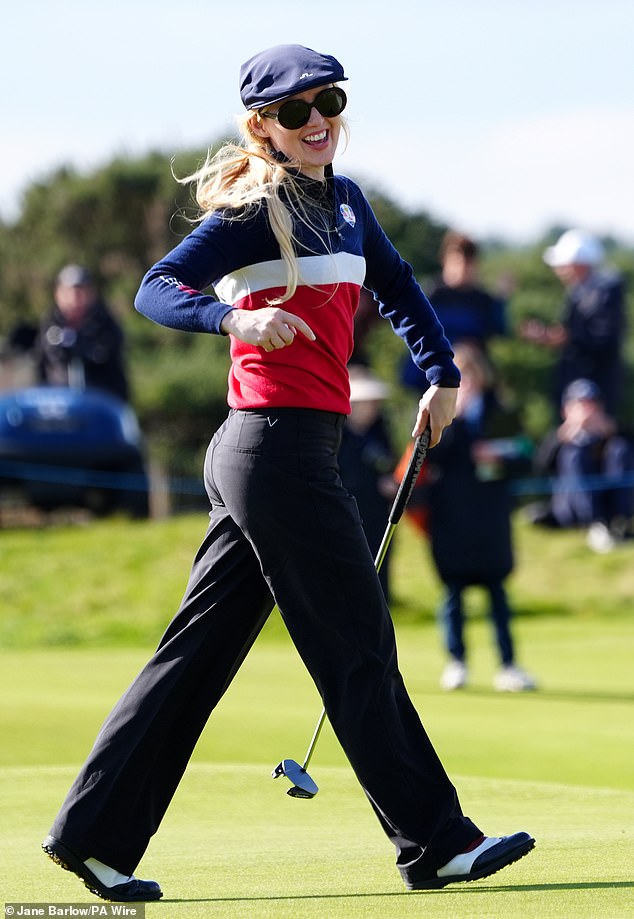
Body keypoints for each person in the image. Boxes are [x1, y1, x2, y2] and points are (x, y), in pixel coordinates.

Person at [42, 44, 534, 901]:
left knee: (198, 652)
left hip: (289, 453)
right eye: (296, 111)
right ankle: (436, 841)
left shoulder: (346, 203)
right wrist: (234, 315)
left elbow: (400, 285)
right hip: (271, 450)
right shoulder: (252, 207)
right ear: (262, 126)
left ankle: (92, 836)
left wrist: (442, 373)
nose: (318, 122)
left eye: (328, 102)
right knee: (358, 644)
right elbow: (157, 288)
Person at [418, 343, 536, 692]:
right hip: (451, 517)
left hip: (490, 517)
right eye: (460, 375)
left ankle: (508, 665)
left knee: (497, 593)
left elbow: (525, 461)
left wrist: (498, 458)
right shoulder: (440, 414)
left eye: (471, 374)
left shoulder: (501, 413)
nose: (466, 382)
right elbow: (431, 459)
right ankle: (457, 663)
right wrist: (455, 416)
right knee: (452, 594)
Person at [520, 229, 626, 417]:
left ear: (578, 264)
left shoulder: (603, 292)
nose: (559, 270)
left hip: (594, 389)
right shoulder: (582, 292)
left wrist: (565, 338)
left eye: (563, 264)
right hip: (580, 385)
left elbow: (602, 338)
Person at [527, 378, 634, 553]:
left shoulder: (616, 434)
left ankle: (619, 521)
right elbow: (538, 467)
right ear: (566, 411)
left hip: (610, 503)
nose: (587, 412)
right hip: (570, 508)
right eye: (580, 405)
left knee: (620, 449)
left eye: (592, 405)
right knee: (574, 454)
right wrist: (562, 437)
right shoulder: (558, 439)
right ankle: (594, 523)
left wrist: (613, 432)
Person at [401, 230, 509, 392]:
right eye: (457, 262)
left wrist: (501, 301)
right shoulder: (430, 294)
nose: (462, 269)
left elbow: (500, 331)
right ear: (445, 261)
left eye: (468, 263)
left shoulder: (483, 300)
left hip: (472, 378)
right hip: (431, 371)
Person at [337, 366, 397, 599]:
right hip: (349, 514)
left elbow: (388, 463)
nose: (371, 408)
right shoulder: (338, 436)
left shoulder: (379, 432)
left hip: (378, 513)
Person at [35, 264, 130, 402]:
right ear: (57, 294)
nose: (74, 299)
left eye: (80, 292)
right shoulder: (48, 326)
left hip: (100, 407)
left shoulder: (105, 325)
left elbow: (108, 356)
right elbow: (42, 365)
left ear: (91, 294)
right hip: (58, 409)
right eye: (68, 292)